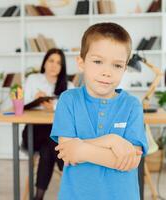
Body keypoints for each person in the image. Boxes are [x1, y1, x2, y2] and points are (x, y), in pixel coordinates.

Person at [50, 22, 148, 200]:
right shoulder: (68, 100)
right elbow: (68, 153)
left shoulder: (132, 105)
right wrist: (111, 140)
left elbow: (131, 161)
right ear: (81, 62)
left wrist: (81, 149)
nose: (107, 72)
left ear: (125, 68)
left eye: (117, 65)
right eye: (97, 61)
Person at [22, 48, 74, 200]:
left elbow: (73, 110)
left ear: (62, 67)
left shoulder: (69, 86)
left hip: (55, 134)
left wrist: (55, 107)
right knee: (54, 142)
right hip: (34, 133)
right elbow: (22, 104)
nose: (54, 65)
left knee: (47, 150)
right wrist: (35, 99)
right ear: (44, 62)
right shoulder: (33, 79)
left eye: (58, 62)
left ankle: (38, 197)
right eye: (51, 60)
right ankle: (70, 181)